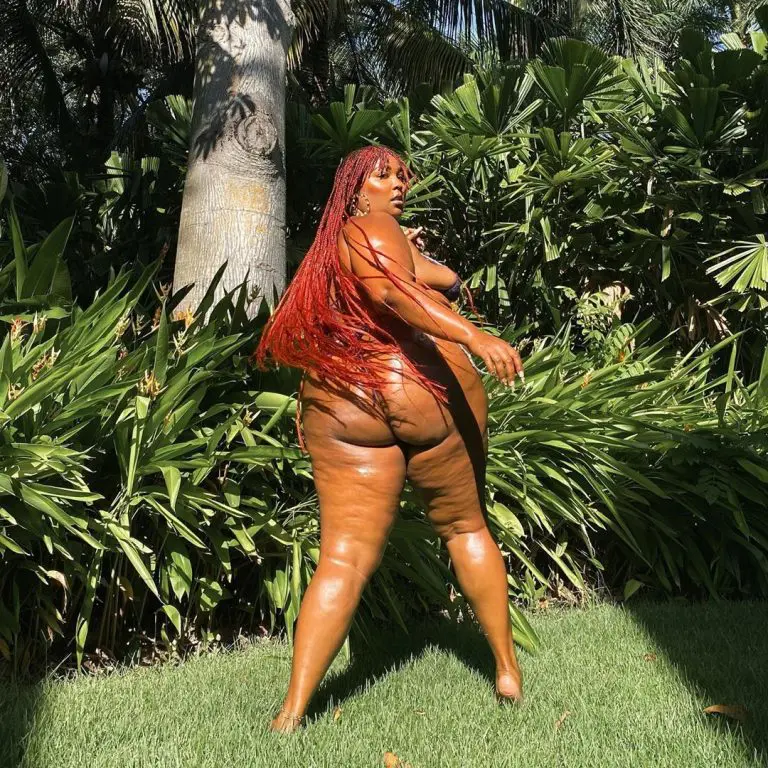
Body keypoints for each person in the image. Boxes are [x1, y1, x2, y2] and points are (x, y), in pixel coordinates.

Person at [252, 145, 525, 734]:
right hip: (418, 389)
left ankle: (292, 712)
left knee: (343, 558)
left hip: (345, 404)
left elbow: (426, 278)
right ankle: (506, 670)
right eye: (383, 176)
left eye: (403, 177)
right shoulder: (374, 228)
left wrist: (422, 258)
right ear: (355, 189)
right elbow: (394, 294)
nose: (398, 185)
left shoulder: (346, 244)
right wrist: (475, 337)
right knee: (465, 528)